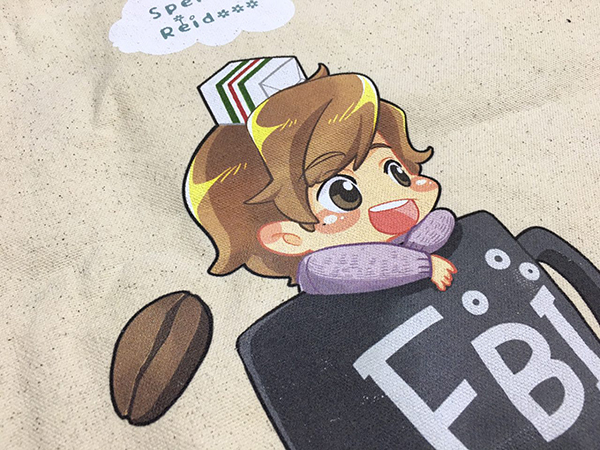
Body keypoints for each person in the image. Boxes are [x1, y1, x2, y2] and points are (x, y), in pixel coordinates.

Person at [185, 63, 456, 295]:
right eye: (344, 194)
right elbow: (351, 264)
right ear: (287, 237)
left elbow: (441, 219)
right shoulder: (318, 268)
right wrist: (424, 265)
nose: (391, 195)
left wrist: (417, 247)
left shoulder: (403, 245)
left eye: (395, 171)